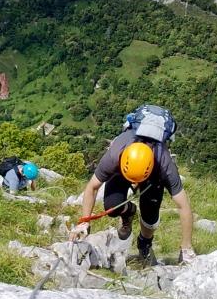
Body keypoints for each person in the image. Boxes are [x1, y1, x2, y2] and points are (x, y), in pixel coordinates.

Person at [69, 106, 196, 265]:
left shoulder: (164, 164)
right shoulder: (115, 154)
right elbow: (92, 187)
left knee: (150, 217)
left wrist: (186, 247)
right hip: (122, 171)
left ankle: (144, 244)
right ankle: (128, 213)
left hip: (153, 177)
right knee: (112, 206)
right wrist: (84, 222)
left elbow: (183, 206)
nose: (135, 184)